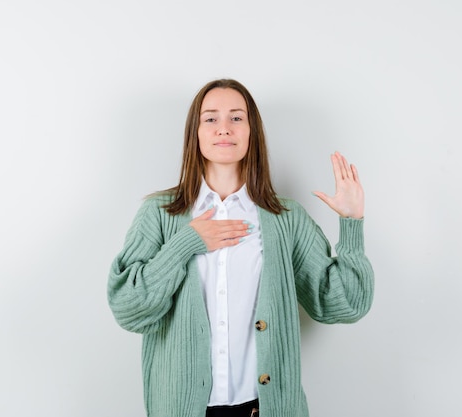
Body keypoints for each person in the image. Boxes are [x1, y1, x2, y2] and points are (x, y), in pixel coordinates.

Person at [107, 79, 374, 417]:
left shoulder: (285, 218)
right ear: (196, 133)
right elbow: (129, 308)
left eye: (236, 118)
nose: (224, 129)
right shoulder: (159, 214)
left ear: (251, 132)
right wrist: (185, 244)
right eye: (210, 119)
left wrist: (352, 223)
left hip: (264, 409)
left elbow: (343, 303)